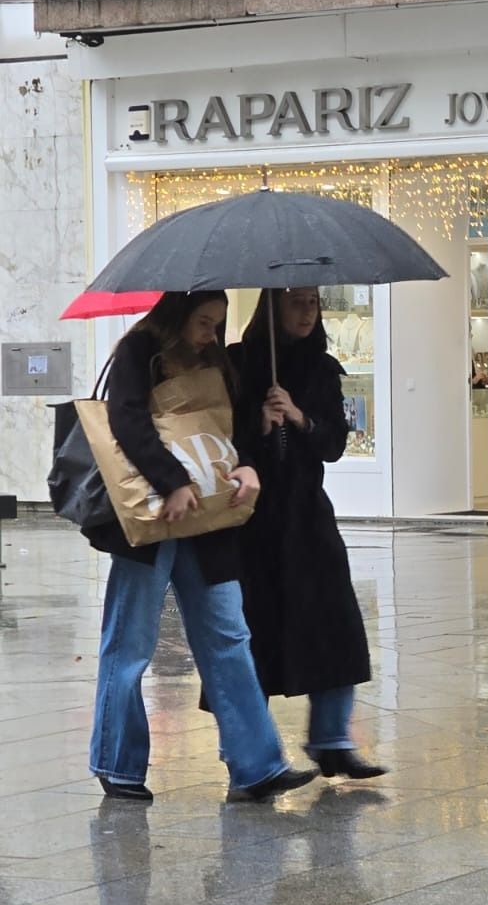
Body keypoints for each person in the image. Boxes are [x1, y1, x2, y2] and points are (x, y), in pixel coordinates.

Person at [85, 291, 318, 803]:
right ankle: (117, 764)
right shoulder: (138, 352)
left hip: (209, 520)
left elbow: (228, 430)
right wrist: (171, 481)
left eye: (218, 322)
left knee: (229, 636)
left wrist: (250, 463)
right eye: (204, 322)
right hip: (153, 518)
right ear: (176, 316)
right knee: (130, 644)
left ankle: (256, 766)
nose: (212, 333)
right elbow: (126, 421)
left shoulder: (216, 360)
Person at [228, 288, 384, 779]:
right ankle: (249, 753)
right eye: (296, 302)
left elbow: (334, 444)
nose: (307, 311)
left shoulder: (322, 368)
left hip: (307, 515)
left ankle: (332, 738)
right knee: (256, 631)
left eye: (313, 303)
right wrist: (258, 423)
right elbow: (223, 440)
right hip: (252, 519)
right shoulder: (238, 365)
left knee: (334, 622)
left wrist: (299, 417)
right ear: (272, 307)